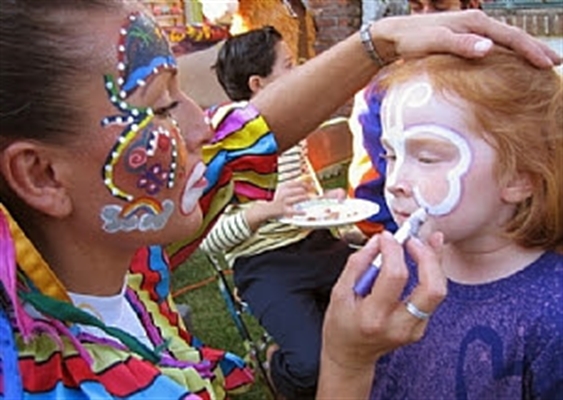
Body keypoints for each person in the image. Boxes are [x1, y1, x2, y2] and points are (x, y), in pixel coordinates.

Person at [0, 0, 560, 397]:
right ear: (43, 175)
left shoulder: (107, 251)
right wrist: (342, 365)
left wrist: (376, 41)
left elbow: (240, 141)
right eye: (164, 107)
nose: (203, 126)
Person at [323, 49, 563, 399]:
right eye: (390, 154)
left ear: (518, 178)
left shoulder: (552, 314)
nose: (395, 181)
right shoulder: (397, 276)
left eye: (427, 157)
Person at [200, 26, 355, 400]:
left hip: (315, 245)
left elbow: (300, 185)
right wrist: (265, 210)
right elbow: (207, 242)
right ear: (259, 84)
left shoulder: (288, 126)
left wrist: (326, 202)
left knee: (383, 304)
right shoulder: (224, 142)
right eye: (290, 66)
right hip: (264, 264)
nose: (300, 72)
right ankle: (274, 365)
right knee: (310, 366)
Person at [347, 0, 482, 239]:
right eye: (417, 7)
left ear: (470, 8)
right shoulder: (385, 92)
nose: (424, 20)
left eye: (439, 8)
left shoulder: (496, 82)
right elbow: (370, 191)